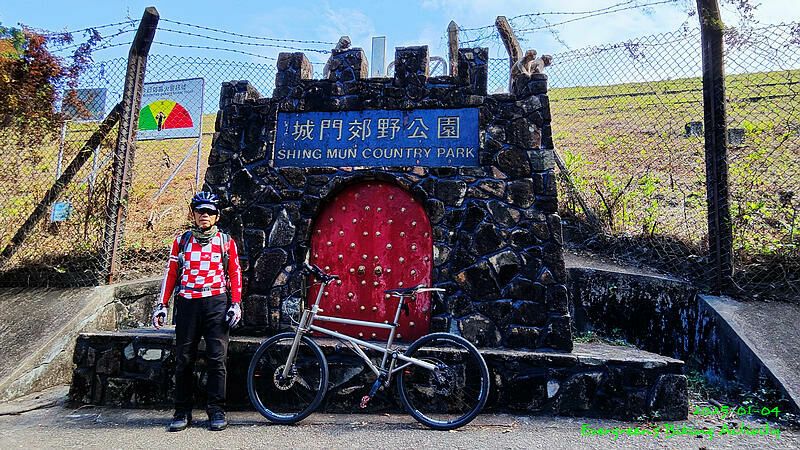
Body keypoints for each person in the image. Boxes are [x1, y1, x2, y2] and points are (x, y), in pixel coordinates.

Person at [152, 191, 243, 432]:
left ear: (217, 216)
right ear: (193, 214)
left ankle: (216, 410)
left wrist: (235, 303)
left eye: (210, 211)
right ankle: (182, 411)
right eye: (200, 210)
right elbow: (171, 273)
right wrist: (162, 305)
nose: (205, 215)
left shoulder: (225, 242)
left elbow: (234, 273)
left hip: (216, 302)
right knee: (183, 358)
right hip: (188, 303)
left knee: (217, 359)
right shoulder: (181, 241)